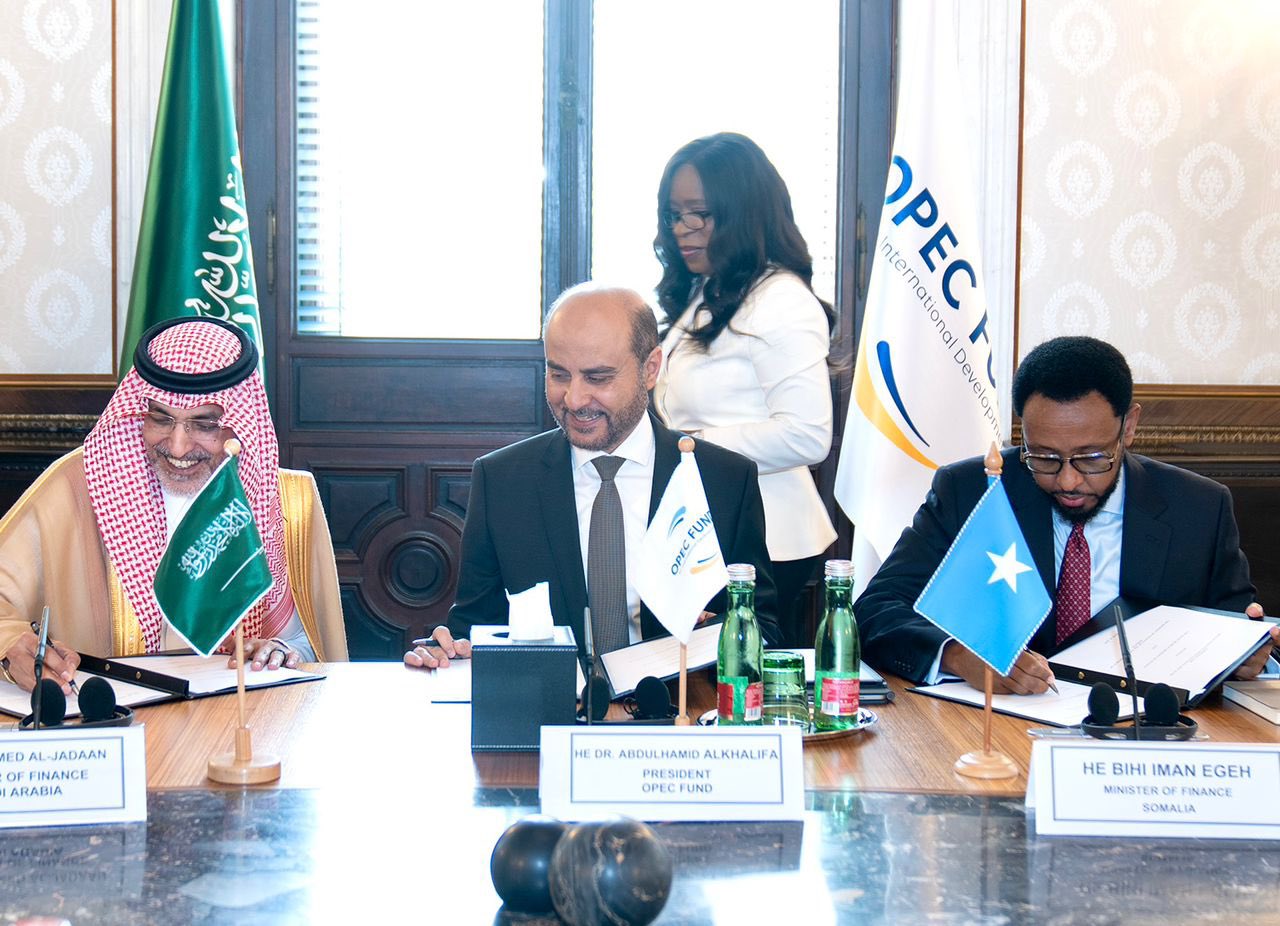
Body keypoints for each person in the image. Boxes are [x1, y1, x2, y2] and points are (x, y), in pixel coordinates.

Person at [856, 335, 1276, 693]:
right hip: (1002, 723)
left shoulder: (1198, 507)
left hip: (1147, 730)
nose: (1069, 481)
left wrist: (1249, 656)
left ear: (1129, 426)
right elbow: (876, 608)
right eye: (1044, 457)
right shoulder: (972, 491)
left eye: (1091, 458)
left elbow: (1238, 629)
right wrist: (958, 657)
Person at [405, 282, 780, 669]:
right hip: (551, 702)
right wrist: (444, 649)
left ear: (650, 369)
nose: (574, 399)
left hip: (678, 702)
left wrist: (709, 638)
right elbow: (474, 628)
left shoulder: (722, 480)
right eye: (559, 375)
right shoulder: (502, 481)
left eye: (598, 378)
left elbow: (763, 628)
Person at [0, 318, 348, 692]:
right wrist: (11, 645)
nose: (178, 447)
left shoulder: (289, 502)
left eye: (204, 425)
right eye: (161, 419)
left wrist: (280, 650)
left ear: (239, 423)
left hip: (242, 718)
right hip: (110, 716)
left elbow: (310, 642)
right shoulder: (76, 485)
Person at [650, 132, 836, 645]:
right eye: (674, 214)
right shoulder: (709, 290)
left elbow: (807, 435)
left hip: (770, 539)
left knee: (742, 683)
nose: (681, 229)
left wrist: (690, 445)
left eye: (699, 214)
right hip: (710, 528)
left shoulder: (781, 300)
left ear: (744, 212)